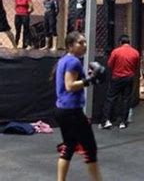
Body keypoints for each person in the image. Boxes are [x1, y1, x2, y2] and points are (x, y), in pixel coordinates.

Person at [53, 31, 103, 181]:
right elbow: (69, 86)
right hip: (72, 112)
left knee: (69, 147)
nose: (85, 45)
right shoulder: (73, 62)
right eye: (80, 43)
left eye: (85, 42)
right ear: (70, 46)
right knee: (90, 149)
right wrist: (90, 80)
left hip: (62, 110)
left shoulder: (64, 60)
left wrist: (86, 77)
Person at [100, 34, 140, 129]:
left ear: (120, 42)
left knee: (110, 99)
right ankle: (123, 122)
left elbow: (110, 64)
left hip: (117, 78)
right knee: (126, 100)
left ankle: (106, 120)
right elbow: (136, 66)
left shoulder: (116, 52)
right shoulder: (135, 53)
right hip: (129, 78)